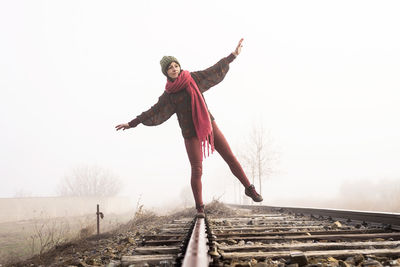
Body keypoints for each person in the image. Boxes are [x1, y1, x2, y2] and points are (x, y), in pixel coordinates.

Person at [115, 38, 263, 218]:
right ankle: (200, 208)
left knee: (230, 157)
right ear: (166, 73)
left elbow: (214, 70)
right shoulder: (169, 95)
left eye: (176, 65)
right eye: (170, 68)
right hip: (190, 133)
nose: (174, 69)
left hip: (208, 124)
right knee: (197, 169)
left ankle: (249, 189)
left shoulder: (193, 78)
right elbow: (153, 111)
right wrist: (132, 123)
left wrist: (233, 55)